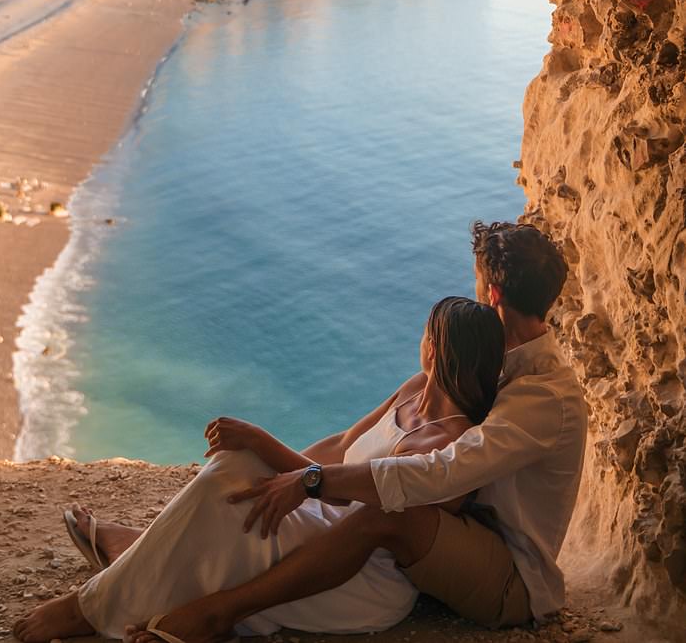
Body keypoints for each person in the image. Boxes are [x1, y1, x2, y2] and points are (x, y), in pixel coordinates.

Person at [123, 221, 587, 643]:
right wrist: (272, 479)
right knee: (257, 482)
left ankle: (220, 612)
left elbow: (440, 473)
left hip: (509, 574)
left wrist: (309, 481)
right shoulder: (486, 366)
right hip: (451, 537)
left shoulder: (543, 397)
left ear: (494, 295)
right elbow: (346, 445)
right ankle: (159, 554)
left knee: (389, 512)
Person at [12, 295, 505, 642]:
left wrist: (266, 445)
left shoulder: (450, 445)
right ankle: (144, 551)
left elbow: (348, 500)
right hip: (319, 521)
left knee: (237, 474)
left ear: (437, 348)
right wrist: (275, 472)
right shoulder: (414, 389)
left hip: (355, 576)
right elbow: (341, 445)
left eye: (424, 334)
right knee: (238, 470)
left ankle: (90, 605)